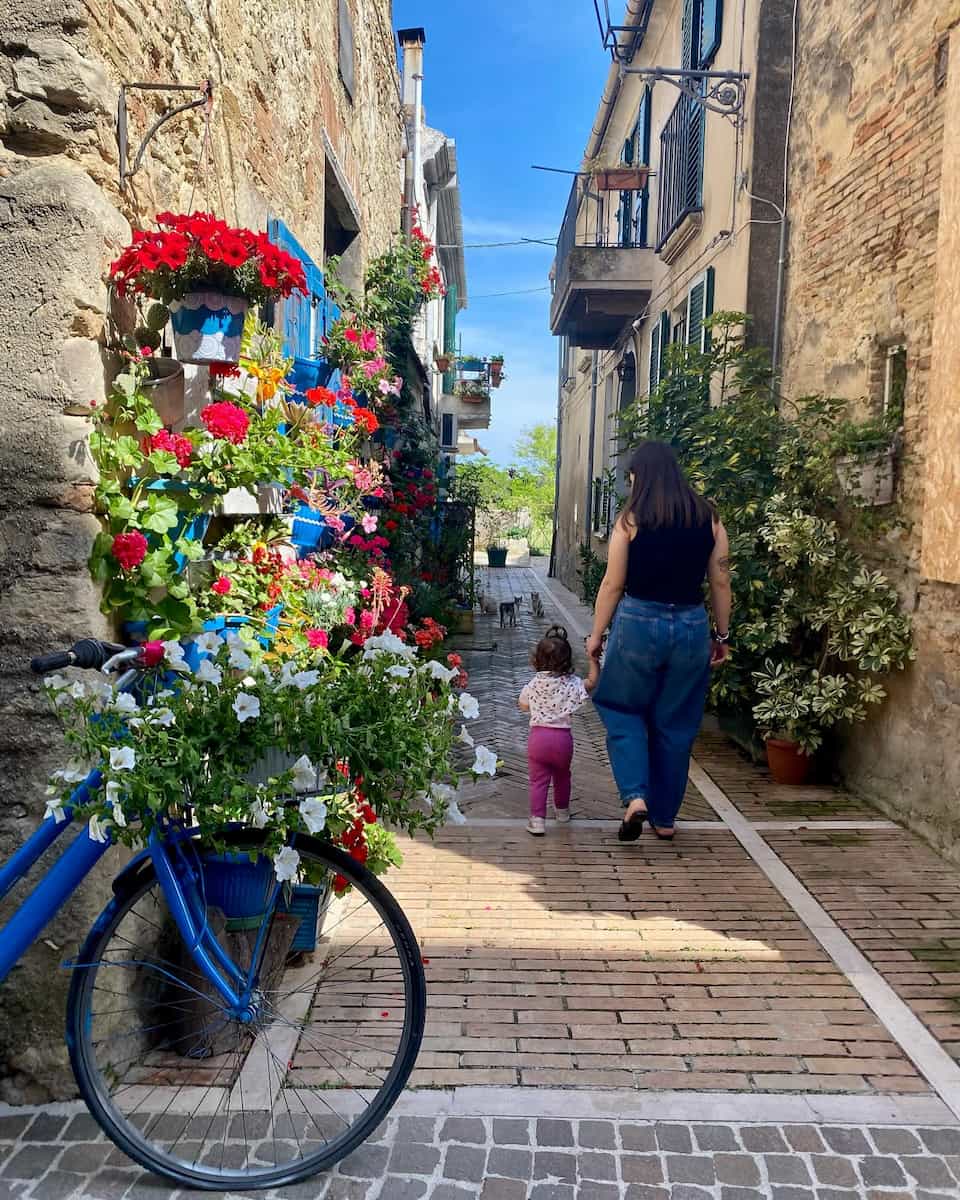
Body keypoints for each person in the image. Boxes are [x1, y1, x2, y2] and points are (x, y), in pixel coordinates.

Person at [585, 441, 732, 843]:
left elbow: (613, 583)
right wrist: (721, 635)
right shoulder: (709, 518)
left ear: (640, 476)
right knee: (676, 721)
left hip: (638, 623)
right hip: (690, 625)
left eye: (631, 476)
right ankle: (665, 818)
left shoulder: (630, 520)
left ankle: (636, 796)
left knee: (621, 707)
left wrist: (596, 635)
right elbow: (720, 580)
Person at [519, 625, 600, 836]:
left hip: (538, 739)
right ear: (567, 661)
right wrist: (593, 660)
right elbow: (592, 682)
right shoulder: (572, 683)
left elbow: (523, 705)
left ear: (537, 660)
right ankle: (562, 812)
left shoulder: (533, 684)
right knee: (563, 776)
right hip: (563, 740)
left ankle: (537, 820)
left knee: (538, 781)